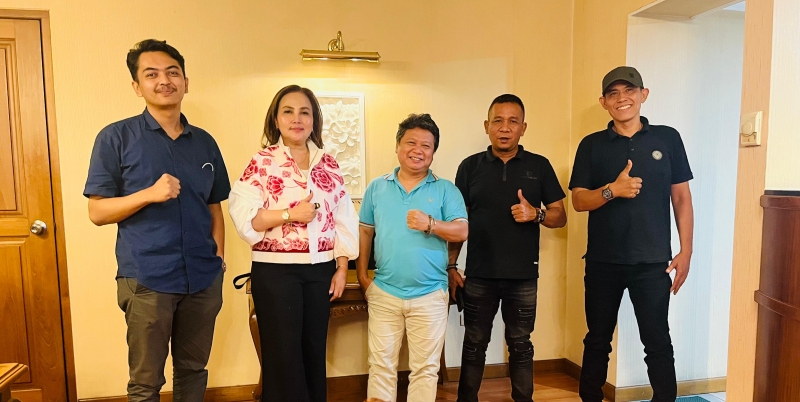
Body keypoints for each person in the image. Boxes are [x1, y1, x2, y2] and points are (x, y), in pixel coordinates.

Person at [84, 39, 230, 401]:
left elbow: (214, 207)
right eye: (151, 74)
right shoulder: (116, 138)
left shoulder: (205, 143)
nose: (164, 80)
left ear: (185, 82)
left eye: (172, 72)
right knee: (146, 381)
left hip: (203, 277)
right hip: (147, 278)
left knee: (193, 370)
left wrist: (219, 261)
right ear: (137, 86)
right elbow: (97, 212)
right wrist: (148, 193)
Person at [569, 66, 694, 402]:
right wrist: (612, 190)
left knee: (657, 341)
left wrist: (686, 252)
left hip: (653, 263)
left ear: (643, 95)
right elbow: (579, 201)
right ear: (604, 102)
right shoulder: (591, 145)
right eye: (613, 93)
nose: (621, 98)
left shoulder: (667, 138)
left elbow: (681, 198)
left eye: (629, 90)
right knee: (597, 340)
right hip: (602, 262)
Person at [228, 84, 359, 402]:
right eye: (288, 111)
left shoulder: (328, 164)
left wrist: (342, 267)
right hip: (276, 273)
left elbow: (343, 218)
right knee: (283, 357)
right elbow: (246, 219)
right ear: (276, 119)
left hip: (320, 271)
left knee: (313, 352)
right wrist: (289, 214)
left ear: (314, 120)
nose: (296, 119)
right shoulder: (262, 162)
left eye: (305, 112)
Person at [448, 94, 567, 402]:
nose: (505, 128)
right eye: (498, 121)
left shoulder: (539, 166)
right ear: (487, 126)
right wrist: (451, 266)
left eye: (513, 121)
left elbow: (560, 215)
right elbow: (458, 223)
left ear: (523, 128)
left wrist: (536, 214)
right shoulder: (469, 167)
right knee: (474, 343)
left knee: (521, 344)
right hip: (479, 274)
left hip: (523, 276)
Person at [357, 113, 468, 402]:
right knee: (380, 367)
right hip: (385, 291)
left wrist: (430, 224)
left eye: (426, 146)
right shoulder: (377, 187)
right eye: (411, 142)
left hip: (430, 295)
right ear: (397, 146)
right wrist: (363, 277)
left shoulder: (446, 189)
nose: (418, 150)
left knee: (425, 370)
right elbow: (365, 232)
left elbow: (462, 230)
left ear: (433, 152)